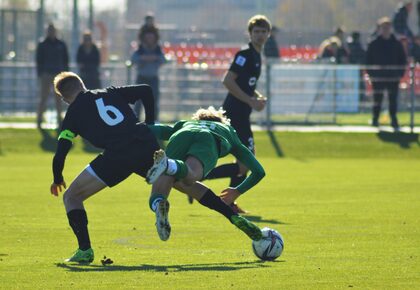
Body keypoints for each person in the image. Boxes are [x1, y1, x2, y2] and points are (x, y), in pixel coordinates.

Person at [50, 72, 158, 263]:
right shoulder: (109, 92)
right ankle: (228, 212)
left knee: (71, 197)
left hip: (117, 157)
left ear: (63, 97)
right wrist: (149, 123)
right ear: (82, 84)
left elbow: (60, 153)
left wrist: (57, 177)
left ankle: (84, 250)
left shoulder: (73, 114)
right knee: (182, 182)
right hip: (144, 144)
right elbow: (146, 90)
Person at [145, 106, 265, 242]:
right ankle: (170, 165)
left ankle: (158, 203)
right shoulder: (229, 131)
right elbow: (259, 172)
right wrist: (237, 190)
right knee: (190, 178)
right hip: (208, 139)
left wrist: (129, 128)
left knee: (163, 183)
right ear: (221, 121)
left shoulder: (185, 123)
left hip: (181, 134)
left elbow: (153, 129)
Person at [204, 15, 270, 214]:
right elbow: (228, 81)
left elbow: (245, 84)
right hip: (234, 114)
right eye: (256, 32)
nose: (259, 35)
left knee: (244, 164)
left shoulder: (257, 56)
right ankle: (199, 179)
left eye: (263, 31)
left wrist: (257, 96)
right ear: (250, 34)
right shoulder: (245, 54)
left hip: (242, 114)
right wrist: (251, 101)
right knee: (245, 163)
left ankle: (225, 200)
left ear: (268, 33)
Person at [366, 17, 407, 130]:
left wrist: (399, 73)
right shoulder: (374, 43)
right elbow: (368, 60)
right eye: (383, 28)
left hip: (393, 77)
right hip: (378, 77)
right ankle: (375, 119)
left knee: (393, 99)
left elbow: (402, 60)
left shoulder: (396, 44)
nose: (386, 30)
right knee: (377, 98)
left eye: (388, 27)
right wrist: (372, 74)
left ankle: (393, 119)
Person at [36, 23, 69, 129]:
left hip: (58, 75)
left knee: (59, 98)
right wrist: (40, 73)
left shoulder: (61, 44)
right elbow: (38, 59)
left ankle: (60, 119)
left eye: (53, 30)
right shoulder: (42, 44)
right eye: (49, 30)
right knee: (43, 97)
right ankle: (39, 119)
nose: (51, 32)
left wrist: (66, 74)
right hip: (46, 74)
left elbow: (66, 60)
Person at [131, 28, 166, 121]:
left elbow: (163, 60)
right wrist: (144, 58)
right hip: (141, 78)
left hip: (153, 79)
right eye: (148, 37)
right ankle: (136, 121)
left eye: (151, 37)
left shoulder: (157, 49)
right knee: (138, 101)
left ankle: (154, 121)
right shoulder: (140, 49)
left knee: (154, 101)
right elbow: (133, 59)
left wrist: (154, 58)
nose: (150, 39)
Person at [347, 32, 367, 102]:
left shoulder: (350, 46)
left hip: (354, 70)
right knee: (359, 85)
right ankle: (360, 100)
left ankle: (360, 100)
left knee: (357, 86)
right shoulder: (356, 46)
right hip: (356, 70)